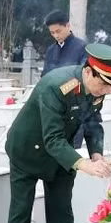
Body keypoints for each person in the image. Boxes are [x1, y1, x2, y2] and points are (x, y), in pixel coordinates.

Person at [5, 43, 111, 223]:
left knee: (62, 211)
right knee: (21, 212)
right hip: (28, 150)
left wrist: (96, 154)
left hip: (62, 155)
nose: (106, 91)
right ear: (87, 72)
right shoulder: (56, 87)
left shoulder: (96, 87)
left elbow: (93, 122)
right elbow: (52, 138)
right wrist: (83, 164)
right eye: (103, 86)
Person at [43, 10, 90, 148]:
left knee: (71, 154)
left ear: (68, 26)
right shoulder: (51, 50)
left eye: (58, 31)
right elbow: (45, 77)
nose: (56, 36)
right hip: (53, 110)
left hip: (74, 108)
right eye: (52, 33)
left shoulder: (82, 48)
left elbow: (82, 78)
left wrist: (60, 91)